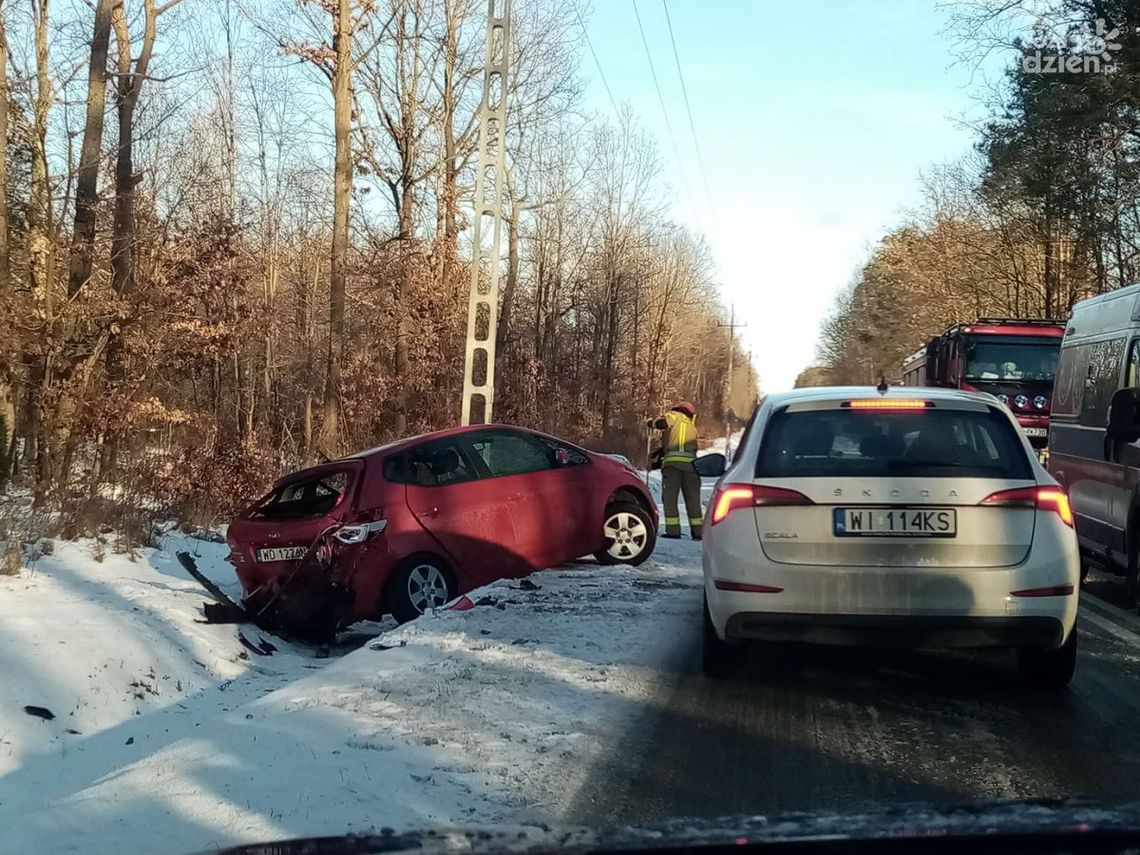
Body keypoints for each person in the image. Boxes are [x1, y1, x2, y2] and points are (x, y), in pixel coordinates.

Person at [647, 402, 703, 540]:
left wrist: (650, 422)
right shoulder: (691, 426)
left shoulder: (675, 415)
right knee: (693, 500)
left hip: (673, 467)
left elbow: (662, 423)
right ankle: (698, 533)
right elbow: (680, 444)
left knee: (670, 499)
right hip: (691, 467)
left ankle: (673, 531)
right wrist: (662, 451)